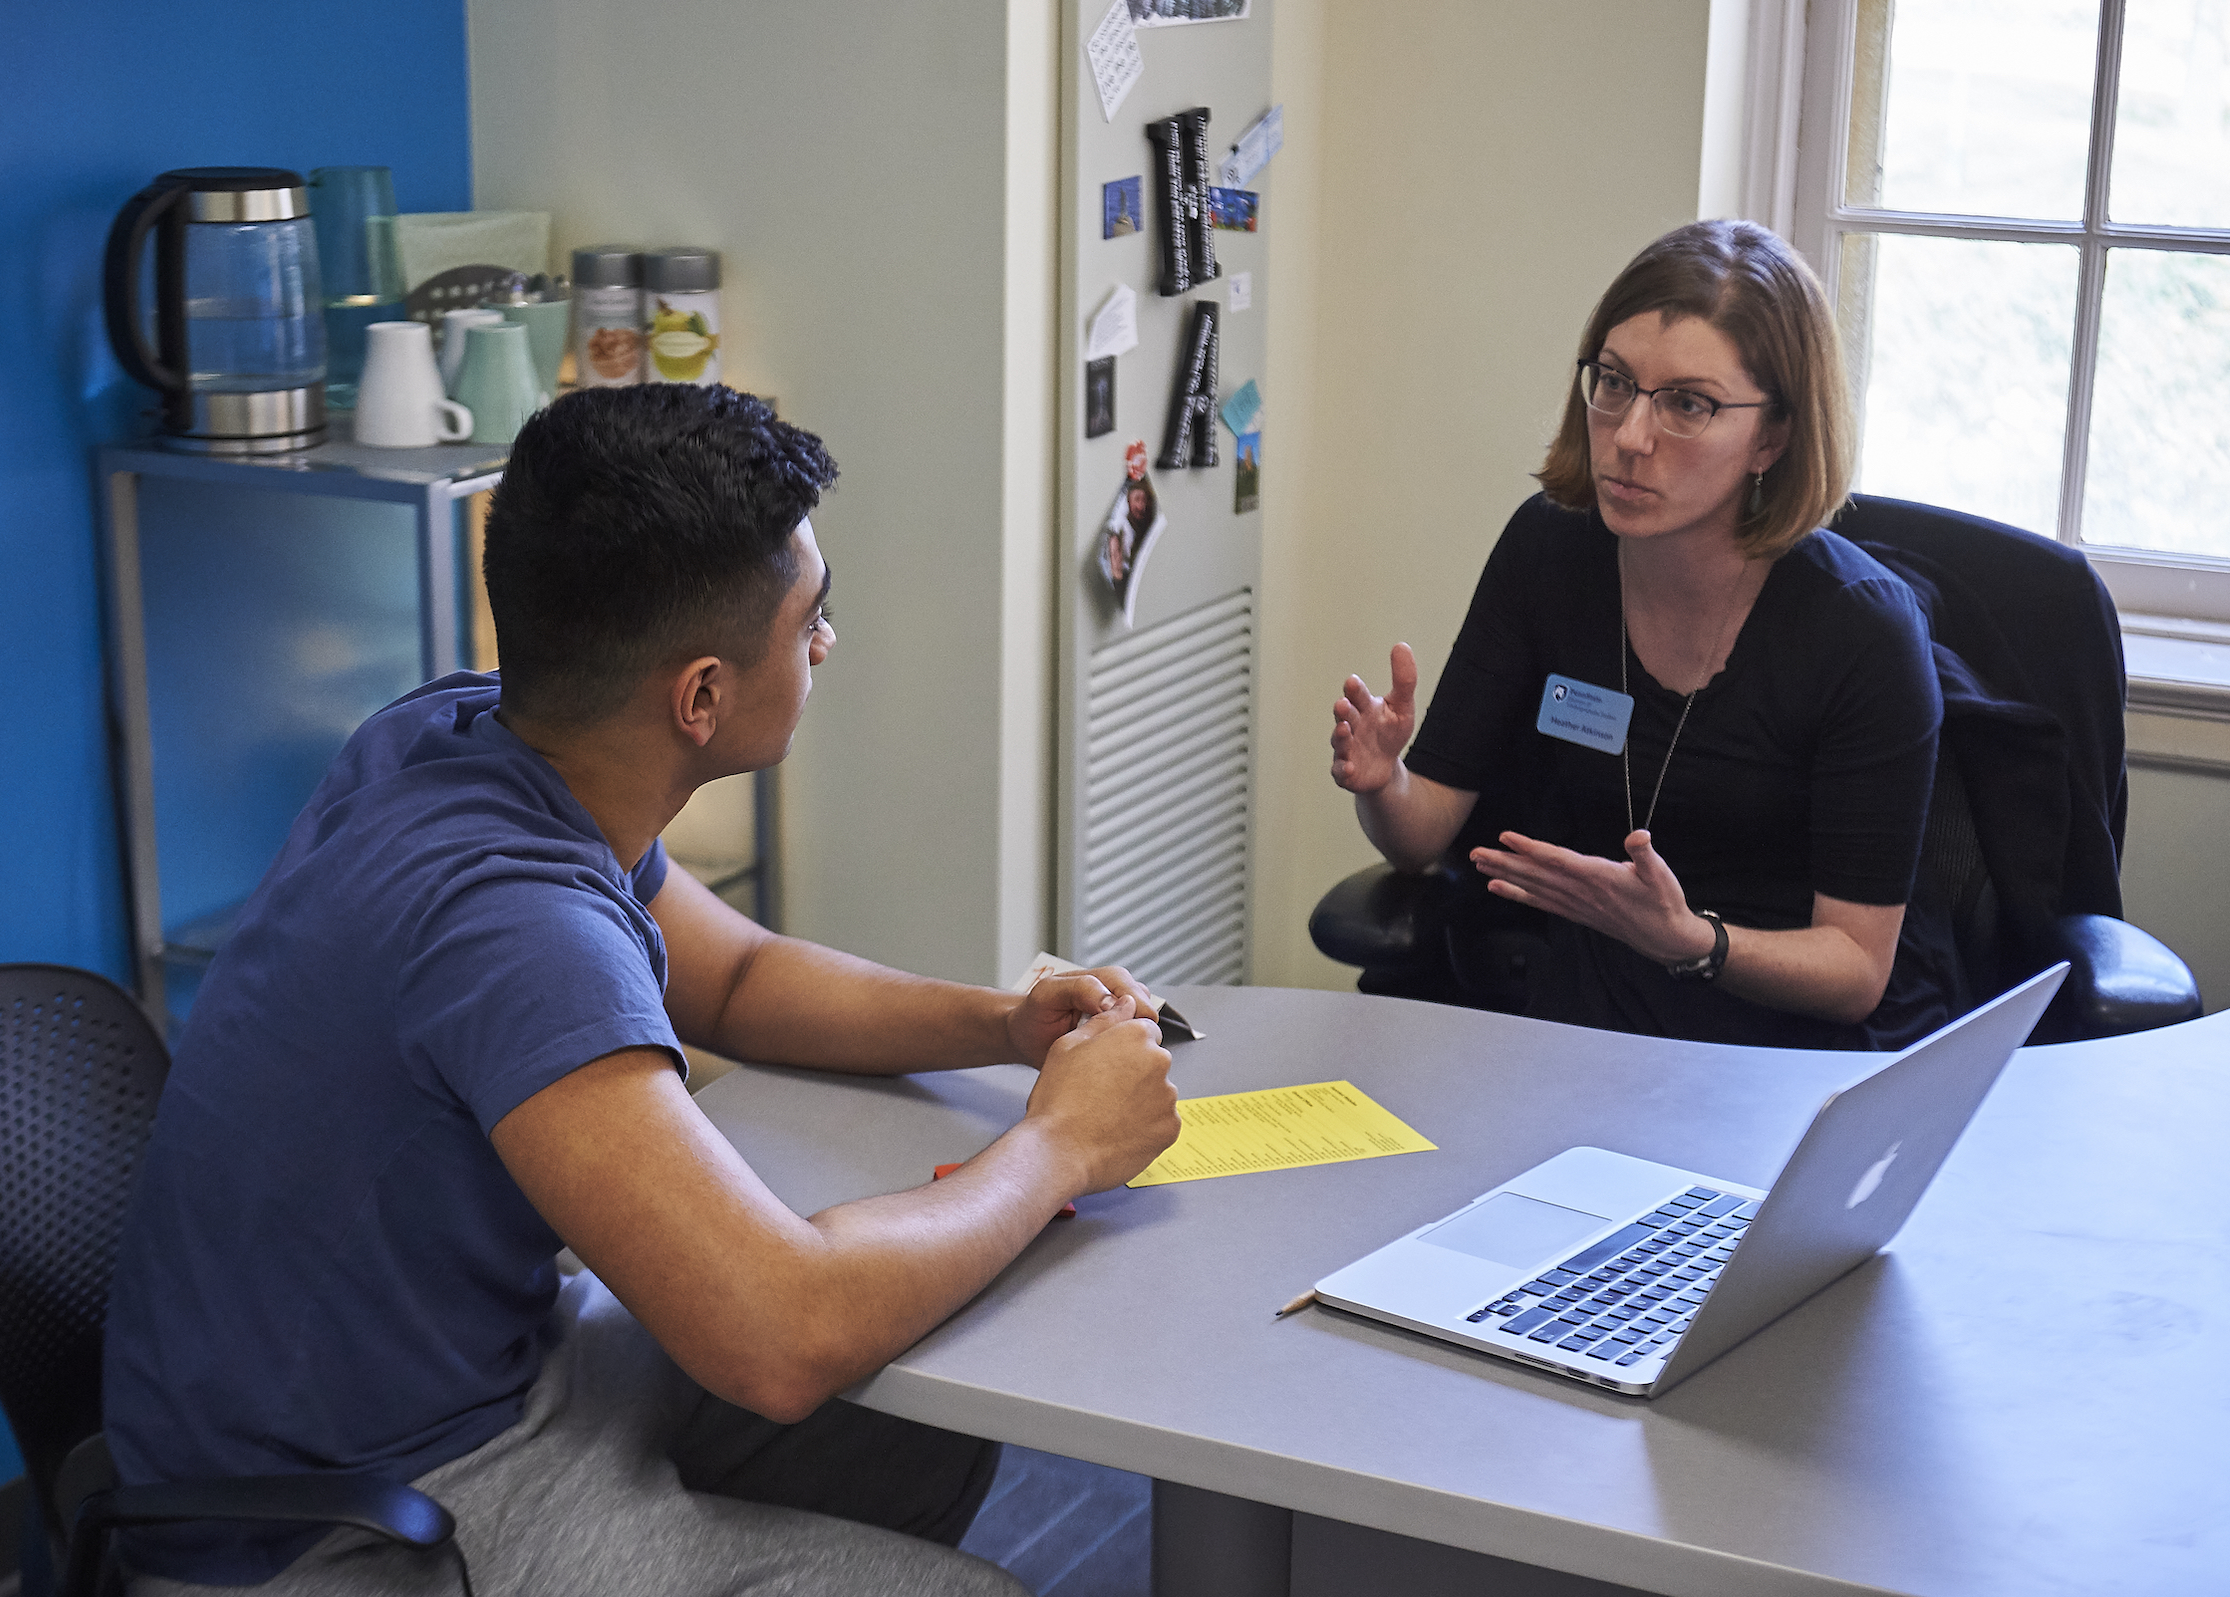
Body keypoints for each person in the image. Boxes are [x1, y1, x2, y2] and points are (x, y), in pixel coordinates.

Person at [103, 384, 1182, 1597]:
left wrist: (996, 1023)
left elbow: (733, 975)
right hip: (351, 1518)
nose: (827, 643)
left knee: (922, 1383)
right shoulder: (512, 927)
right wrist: (1061, 1150)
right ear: (703, 697)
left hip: (468, 1372)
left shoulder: (455, 736)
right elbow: (781, 1334)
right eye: (810, 620)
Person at [1329, 220, 1950, 1050]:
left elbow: (1856, 970)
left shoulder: (1861, 632)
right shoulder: (1550, 548)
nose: (1628, 435)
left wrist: (1692, 940)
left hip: (1783, 1056)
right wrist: (1383, 783)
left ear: (1773, 437)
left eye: (1688, 404)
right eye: (1614, 382)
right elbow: (1422, 838)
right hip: (1588, 1018)